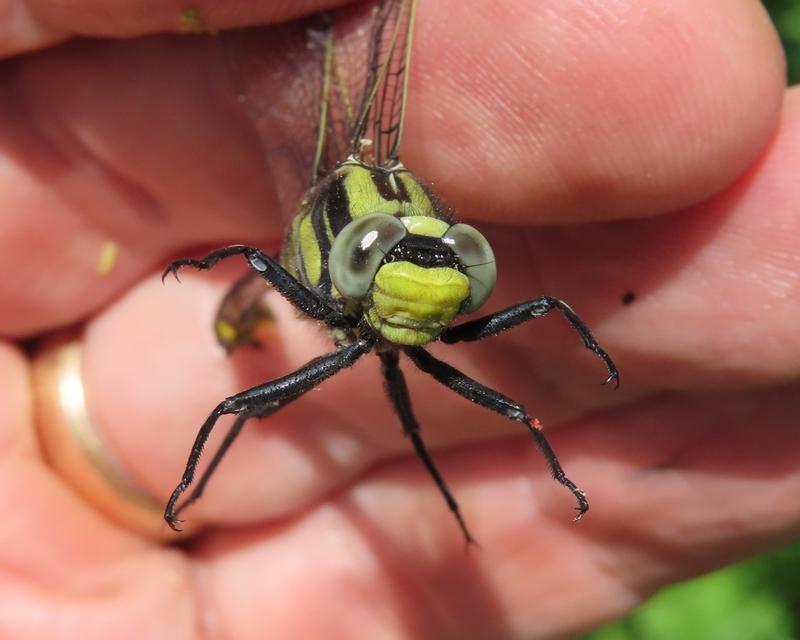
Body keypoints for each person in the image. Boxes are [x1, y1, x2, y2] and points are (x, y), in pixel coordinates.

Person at [1, 1, 797, 637]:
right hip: (293, 297)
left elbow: (548, 305)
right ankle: (189, 483)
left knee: (477, 410)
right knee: (236, 402)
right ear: (358, 257)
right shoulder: (338, 221)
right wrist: (222, 268)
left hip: (344, 305)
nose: (430, 277)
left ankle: (448, 498)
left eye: (457, 262)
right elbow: (256, 258)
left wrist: (579, 398)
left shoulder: (416, 283)